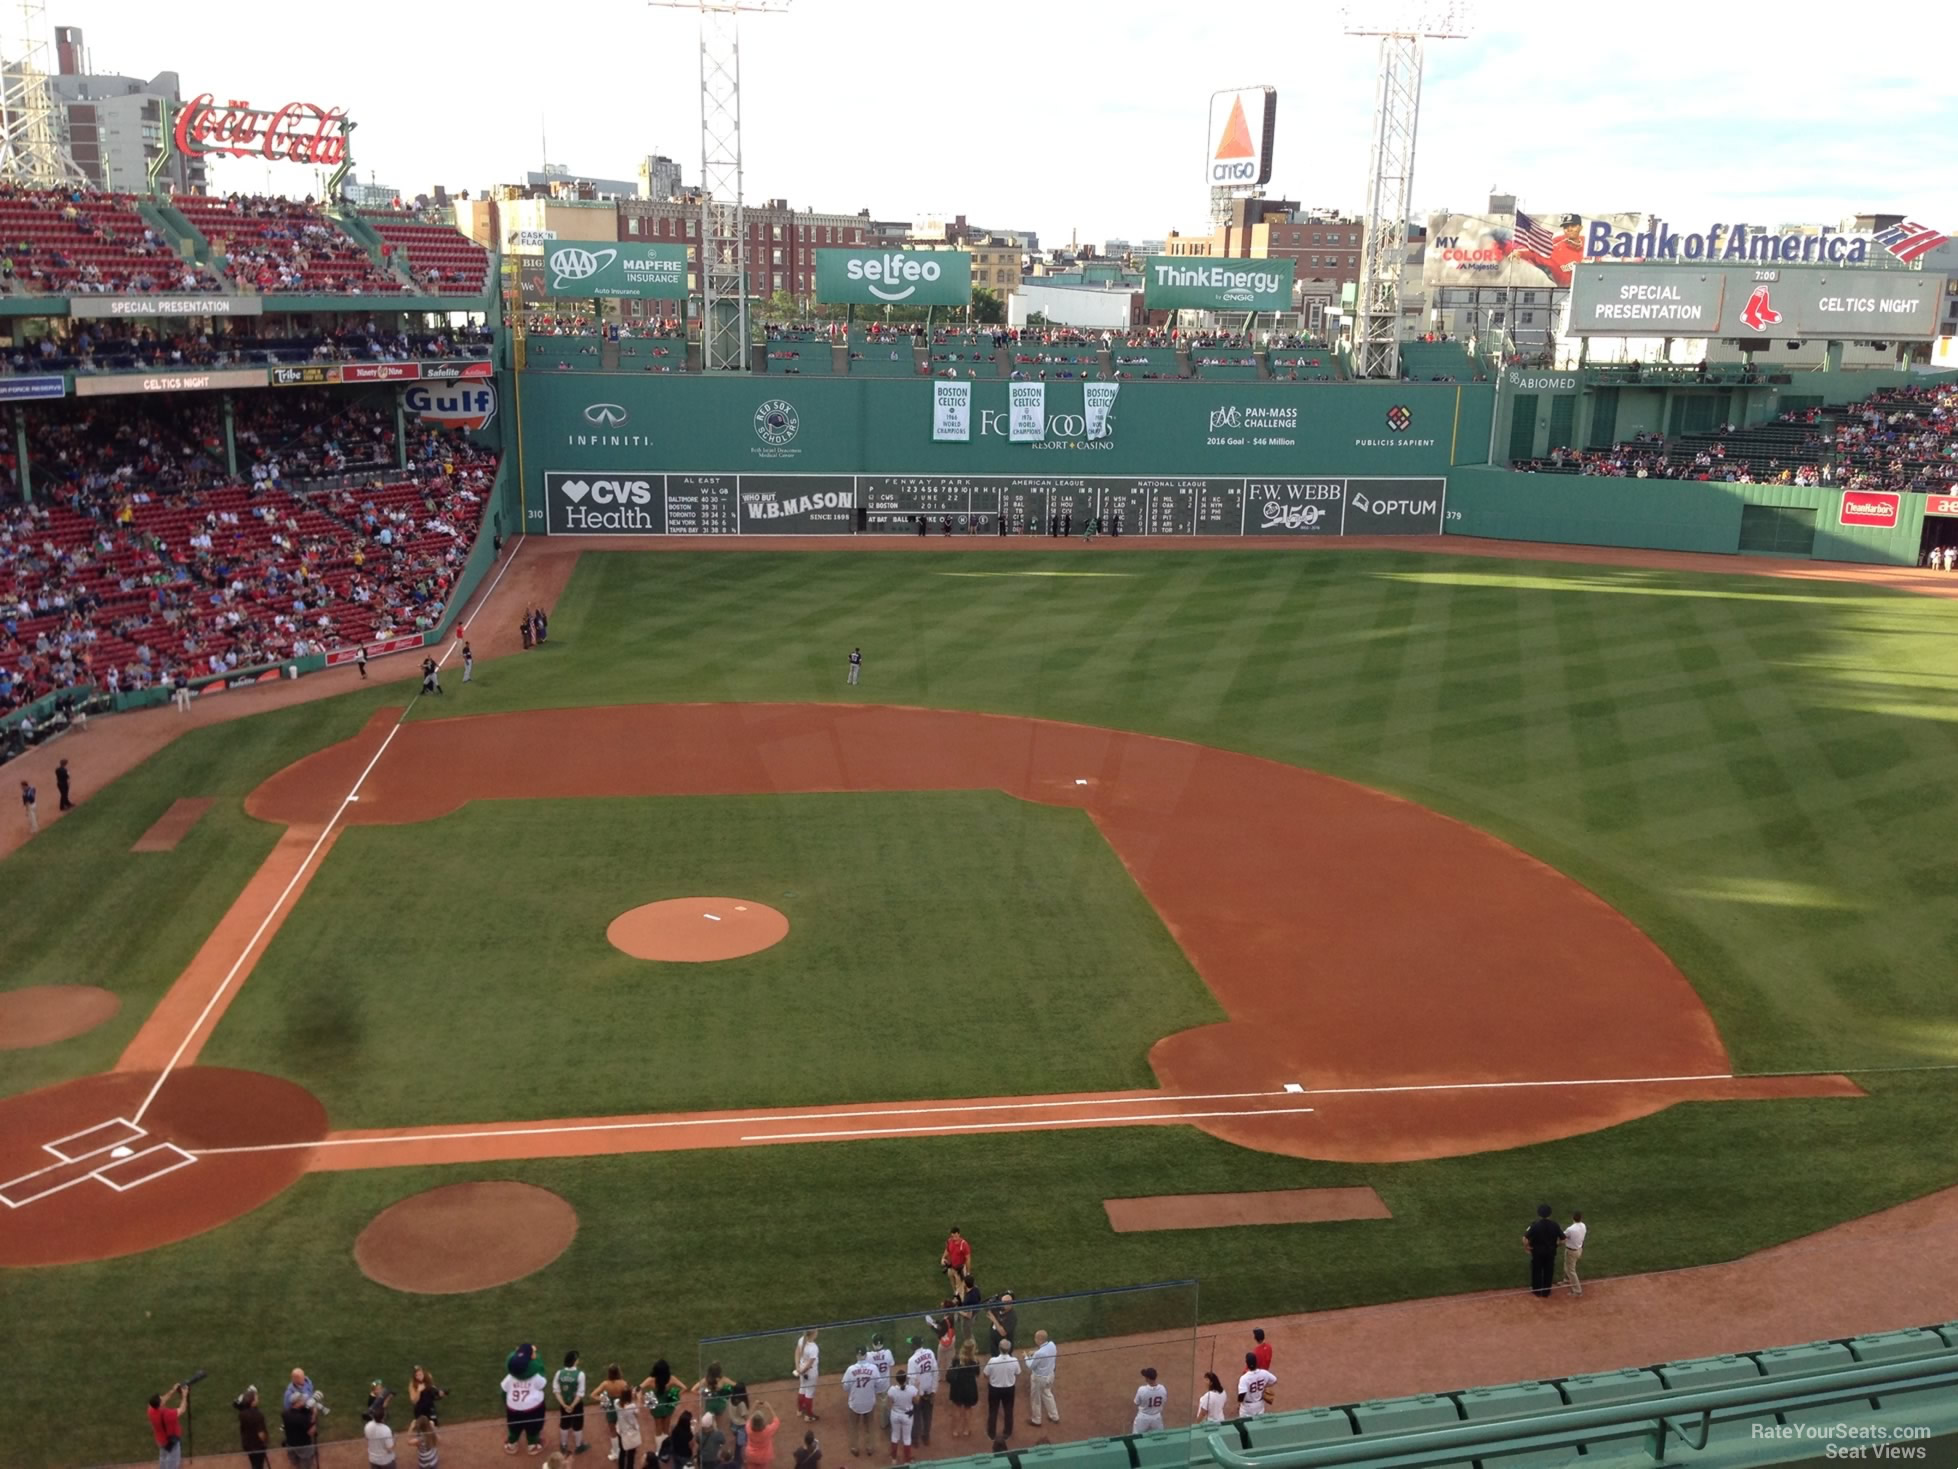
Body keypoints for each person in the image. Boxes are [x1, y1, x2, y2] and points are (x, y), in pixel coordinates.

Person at [505, 1345, 550, 1455]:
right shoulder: (536, 1377)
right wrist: (536, 1355)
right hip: (533, 1409)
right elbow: (542, 1384)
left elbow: (504, 1390)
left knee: (514, 1427)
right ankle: (532, 1446)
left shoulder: (510, 1377)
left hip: (513, 1409)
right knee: (533, 1428)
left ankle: (512, 1445)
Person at [1524, 1204, 1564, 1298]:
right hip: (1550, 1253)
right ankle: (1546, 1292)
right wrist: (1556, 1246)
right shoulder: (1555, 1225)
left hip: (1537, 1253)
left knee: (1536, 1271)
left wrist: (1527, 1247)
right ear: (1550, 1214)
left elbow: (1525, 1238)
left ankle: (1536, 1291)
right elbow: (1563, 1240)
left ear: (1539, 1214)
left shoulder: (1535, 1225)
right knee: (1548, 1271)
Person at [981, 1340, 1019, 1442]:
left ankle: (991, 1433)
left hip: (994, 1389)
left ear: (999, 1348)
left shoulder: (992, 1361)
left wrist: (993, 1379)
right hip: (1009, 1389)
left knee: (993, 1410)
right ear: (1009, 1349)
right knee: (1008, 1410)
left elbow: (985, 1374)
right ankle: (1007, 1432)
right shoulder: (1014, 1360)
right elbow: (1017, 1373)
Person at [842, 1348, 876, 1456]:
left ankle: (855, 1448)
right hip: (869, 1403)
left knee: (854, 1427)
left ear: (857, 1356)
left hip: (855, 1403)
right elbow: (879, 1384)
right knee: (869, 1426)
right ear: (866, 1355)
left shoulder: (850, 1370)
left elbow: (845, 1387)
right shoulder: (874, 1368)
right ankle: (869, 1448)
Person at [903, 1339, 937, 1447]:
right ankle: (926, 1437)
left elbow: (912, 1380)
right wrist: (934, 1390)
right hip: (929, 1390)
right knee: (928, 1416)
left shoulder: (912, 1360)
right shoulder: (930, 1353)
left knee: (916, 1417)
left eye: (911, 1344)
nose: (910, 1346)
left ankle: (915, 1440)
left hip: (918, 1393)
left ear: (914, 1346)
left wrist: (914, 1395)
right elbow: (935, 1372)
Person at [148, 1382, 189, 1469]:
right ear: (160, 1405)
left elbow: (164, 1399)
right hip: (170, 1442)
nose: (163, 1398)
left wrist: (173, 1390)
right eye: (161, 1398)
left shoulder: (151, 1410)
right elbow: (182, 1409)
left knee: (163, 1458)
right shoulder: (167, 1414)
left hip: (160, 1440)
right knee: (173, 1462)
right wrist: (184, 1395)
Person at [557, 1350, 590, 1456]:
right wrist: (572, 1406)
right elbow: (580, 1394)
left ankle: (563, 1445)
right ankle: (579, 1446)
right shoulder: (580, 1374)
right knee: (577, 1424)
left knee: (564, 1423)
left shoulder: (559, 1373)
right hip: (576, 1405)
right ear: (574, 1361)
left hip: (564, 1404)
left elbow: (556, 1391)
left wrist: (564, 1405)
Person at [1022, 1331, 1058, 1428]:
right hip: (1050, 1375)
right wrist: (1035, 1352)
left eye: (1036, 1338)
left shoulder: (1039, 1353)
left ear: (1040, 1340)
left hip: (1039, 1378)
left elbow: (1031, 1365)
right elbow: (1043, 1352)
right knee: (1047, 1393)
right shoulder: (1052, 1345)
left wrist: (1026, 1357)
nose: (1035, 1339)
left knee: (1035, 1398)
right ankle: (1054, 1416)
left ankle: (1036, 1420)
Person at [945, 1343, 979, 1440]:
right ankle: (966, 1430)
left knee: (956, 1408)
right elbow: (977, 1374)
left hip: (957, 1387)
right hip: (969, 1387)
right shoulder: (975, 1361)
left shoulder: (956, 1359)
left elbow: (951, 1371)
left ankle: (955, 1431)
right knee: (968, 1409)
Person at [597, 1365, 631, 1462]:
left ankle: (616, 1453)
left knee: (613, 1432)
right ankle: (625, 1449)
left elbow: (593, 1394)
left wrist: (603, 1399)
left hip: (611, 1408)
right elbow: (628, 1397)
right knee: (623, 1429)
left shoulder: (605, 1384)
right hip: (621, 1408)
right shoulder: (623, 1383)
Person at [885, 1368, 918, 1465]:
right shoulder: (911, 1389)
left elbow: (889, 1402)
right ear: (905, 1379)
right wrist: (917, 1387)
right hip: (907, 1416)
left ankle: (894, 1459)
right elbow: (917, 1401)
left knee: (895, 1436)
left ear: (897, 1379)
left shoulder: (892, 1390)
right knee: (907, 1438)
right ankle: (907, 1460)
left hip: (895, 1414)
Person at [281, 1385, 319, 1467]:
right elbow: (311, 1432)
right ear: (298, 1403)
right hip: (304, 1447)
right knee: (306, 1466)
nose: (305, 1401)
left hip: (290, 1445)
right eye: (302, 1400)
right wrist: (314, 1415)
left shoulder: (285, 1414)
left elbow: (296, 1414)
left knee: (295, 1465)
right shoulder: (303, 1418)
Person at [237, 1387, 271, 1469]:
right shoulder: (258, 1415)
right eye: (256, 1398)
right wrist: (265, 1442)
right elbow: (261, 1434)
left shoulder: (242, 1413)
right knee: (259, 1465)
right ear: (252, 1402)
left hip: (247, 1444)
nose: (258, 1399)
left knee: (254, 1464)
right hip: (258, 1446)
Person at [865, 1338, 894, 1429]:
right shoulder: (888, 1353)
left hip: (872, 1385)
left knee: (870, 1401)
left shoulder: (868, 1355)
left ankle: (868, 1420)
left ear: (873, 1344)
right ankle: (883, 1423)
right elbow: (892, 1364)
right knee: (883, 1403)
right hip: (884, 1384)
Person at [793, 1332, 821, 1423]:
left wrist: (798, 1369)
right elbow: (810, 1364)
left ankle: (800, 1410)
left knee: (802, 1388)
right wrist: (802, 1371)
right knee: (809, 1392)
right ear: (813, 1334)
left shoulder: (801, 1339)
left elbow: (797, 1352)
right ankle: (808, 1416)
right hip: (810, 1372)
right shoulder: (814, 1348)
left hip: (801, 1367)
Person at [615, 1391, 645, 1469]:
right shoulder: (631, 1406)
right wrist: (638, 1398)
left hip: (620, 1430)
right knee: (631, 1454)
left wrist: (632, 1395)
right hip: (630, 1433)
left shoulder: (616, 1402)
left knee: (622, 1452)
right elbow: (638, 1413)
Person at [1132, 1369, 1166, 1436]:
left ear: (1147, 1378)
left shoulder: (1142, 1390)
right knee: (1159, 1437)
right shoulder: (1162, 1388)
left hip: (1143, 1418)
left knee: (1136, 1437)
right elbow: (1164, 1401)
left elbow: (1136, 1403)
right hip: (1157, 1418)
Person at [746, 1403, 780, 1469]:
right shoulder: (768, 1430)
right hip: (764, 1456)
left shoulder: (748, 1428)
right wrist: (769, 1408)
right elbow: (776, 1421)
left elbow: (748, 1419)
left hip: (751, 1455)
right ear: (763, 1421)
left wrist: (754, 1406)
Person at [1563, 1210, 1588, 1297]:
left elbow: (1562, 1237)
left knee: (1571, 1270)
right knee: (1567, 1265)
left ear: (1572, 1218)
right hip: (1579, 1249)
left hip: (1571, 1251)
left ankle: (1577, 1291)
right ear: (1581, 1218)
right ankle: (1566, 1279)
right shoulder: (1583, 1225)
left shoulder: (1570, 1229)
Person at [940, 1227, 971, 1296]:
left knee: (960, 1287)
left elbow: (968, 1259)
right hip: (951, 1267)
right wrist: (943, 1258)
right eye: (953, 1236)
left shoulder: (964, 1244)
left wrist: (968, 1272)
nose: (954, 1237)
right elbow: (947, 1250)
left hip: (960, 1269)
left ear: (959, 1234)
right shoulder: (950, 1241)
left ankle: (961, 1300)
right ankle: (955, 1293)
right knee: (951, 1279)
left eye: (956, 1235)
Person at [365, 1404, 398, 1468]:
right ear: (383, 1418)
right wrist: (395, 1439)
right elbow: (389, 1448)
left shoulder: (367, 1425)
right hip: (385, 1461)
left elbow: (367, 1439)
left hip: (373, 1459)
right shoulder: (386, 1429)